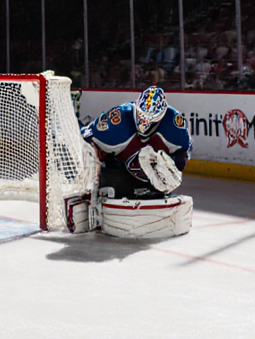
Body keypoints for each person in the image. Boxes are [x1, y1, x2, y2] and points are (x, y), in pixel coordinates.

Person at [80, 86, 194, 238]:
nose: (144, 123)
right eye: (141, 117)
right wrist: (94, 169)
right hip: (118, 168)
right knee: (113, 182)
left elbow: (184, 154)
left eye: (150, 120)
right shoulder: (118, 117)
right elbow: (87, 138)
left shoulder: (175, 123)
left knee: (163, 184)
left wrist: (172, 165)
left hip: (150, 182)